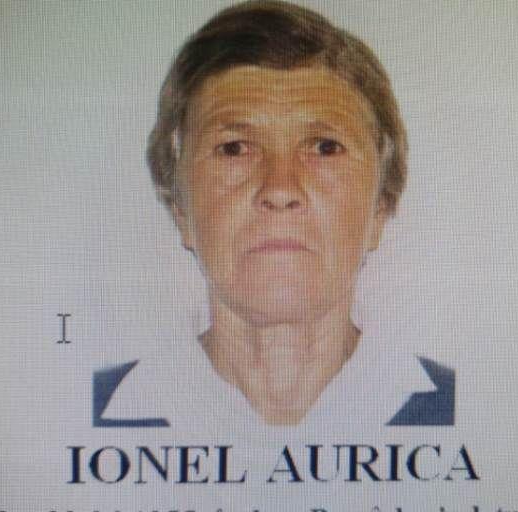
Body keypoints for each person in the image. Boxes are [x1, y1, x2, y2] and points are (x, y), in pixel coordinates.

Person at [93, 0, 454, 428]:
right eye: (234, 149)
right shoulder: (82, 410)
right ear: (181, 211)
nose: (280, 189)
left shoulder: (469, 411)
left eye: (325, 147)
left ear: (380, 207)